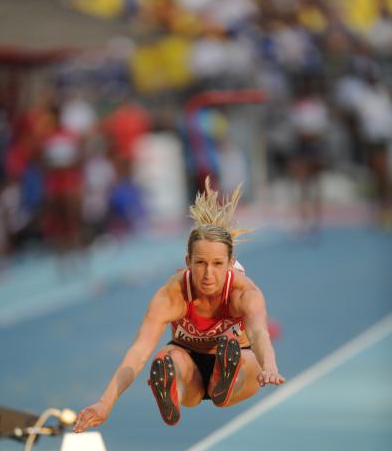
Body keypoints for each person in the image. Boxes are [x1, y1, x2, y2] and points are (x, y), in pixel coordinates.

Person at [74, 179, 285, 432]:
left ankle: (224, 376)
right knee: (166, 358)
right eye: (200, 263)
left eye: (217, 264)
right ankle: (172, 391)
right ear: (188, 261)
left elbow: (260, 333)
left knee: (243, 359)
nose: (208, 274)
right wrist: (105, 402)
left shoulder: (244, 293)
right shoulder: (172, 295)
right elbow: (139, 351)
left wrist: (270, 366)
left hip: (239, 365)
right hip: (189, 366)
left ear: (231, 264)